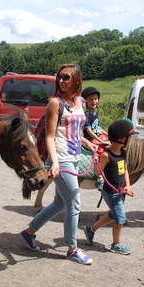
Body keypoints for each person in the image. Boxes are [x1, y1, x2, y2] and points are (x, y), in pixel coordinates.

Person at [20, 64, 97, 265]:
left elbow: (76, 131)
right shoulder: (55, 103)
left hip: (75, 157)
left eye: (66, 77)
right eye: (60, 77)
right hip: (60, 158)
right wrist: (53, 162)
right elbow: (50, 135)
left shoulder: (80, 102)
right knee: (74, 200)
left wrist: (88, 142)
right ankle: (72, 248)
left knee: (60, 202)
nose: (62, 80)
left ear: (77, 80)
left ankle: (29, 232)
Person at [84, 119, 135, 254]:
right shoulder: (107, 155)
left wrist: (128, 186)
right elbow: (96, 172)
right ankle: (116, 244)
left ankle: (91, 229)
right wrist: (96, 161)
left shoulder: (123, 153)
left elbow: (124, 170)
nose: (130, 140)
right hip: (111, 193)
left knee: (113, 215)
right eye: (129, 137)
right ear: (121, 138)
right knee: (120, 218)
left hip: (121, 192)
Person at [81, 86, 110, 189]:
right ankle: (99, 178)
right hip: (91, 139)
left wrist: (107, 134)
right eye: (90, 99)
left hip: (98, 137)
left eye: (95, 99)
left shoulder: (95, 113)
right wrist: (100, 140)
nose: (93, 101)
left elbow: (97, 127)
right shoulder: (87, 115)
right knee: (100, 151)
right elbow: (89, 130)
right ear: (85, 101)